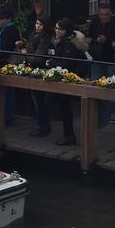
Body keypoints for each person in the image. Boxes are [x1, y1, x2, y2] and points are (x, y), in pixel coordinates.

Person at [50, 17, 88, 145]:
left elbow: (66, 63)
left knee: (65, 107)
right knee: (63, 106)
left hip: (69, 78)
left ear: (66, 30)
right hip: (65, 77)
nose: (57, 31)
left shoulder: (69, 44)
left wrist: (52, 62)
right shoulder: (63, 41)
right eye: (56, 28)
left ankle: (69, 136)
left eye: (60, 29)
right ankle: (68, 134)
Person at [87, 2, 115, 126]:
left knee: (111, 86)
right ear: (98, 14)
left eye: (106, 14)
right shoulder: (94, 23)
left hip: (111, 59)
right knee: (96, 84)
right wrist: (92, 39)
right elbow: (89, 36)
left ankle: (113, 112)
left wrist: (107, 40)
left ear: (110, 13)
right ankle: (96, 110)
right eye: (102, 14)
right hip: (97, 58)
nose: (104, 17)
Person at [20, 17, 52, 137]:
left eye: (41, 24)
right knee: (36, 100)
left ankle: (42, 126)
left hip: (39, 71)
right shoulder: (33, 35)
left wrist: (26, 55)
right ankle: (41, 124)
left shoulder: (44, 39)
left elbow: (37, 57)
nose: (37, 26)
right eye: (37, 23)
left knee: (39, 101)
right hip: (32, 70)